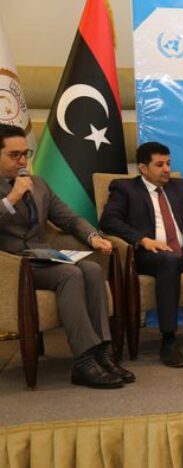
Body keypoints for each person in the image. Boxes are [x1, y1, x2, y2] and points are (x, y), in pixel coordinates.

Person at [0, 124, 134, 389]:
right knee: (69, 274)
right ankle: (83, 361)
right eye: (14, 155)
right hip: (11, 263)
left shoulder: (38, 183)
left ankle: (102, 352)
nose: (22, 161)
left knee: (92, 269)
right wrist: (11, 198)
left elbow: (68, 218)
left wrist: (92, 237)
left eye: (25, 154)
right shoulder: (14, 189)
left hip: (42, 256)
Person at [100, 142, 183, 367]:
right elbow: (109, 221)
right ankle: (169, 340)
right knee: (168, 260)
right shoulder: (125, 188)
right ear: (143, 168)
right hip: (149, 254)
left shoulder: (182, 187)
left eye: (169, 163)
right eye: (160, 165)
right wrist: (143, 239)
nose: (167, 169)